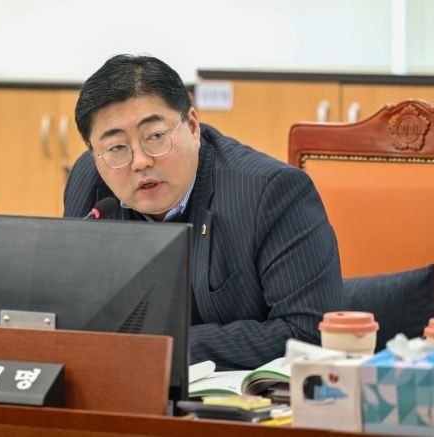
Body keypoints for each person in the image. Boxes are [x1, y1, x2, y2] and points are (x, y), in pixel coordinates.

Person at [63, 54, 344, 370]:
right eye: (116, 147)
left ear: (193, 127)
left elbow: (307, 333)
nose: (140, 161)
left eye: (156, 136)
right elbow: (73, 313)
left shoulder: (270, 192)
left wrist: (163, 350)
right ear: (94, 154)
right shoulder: (90, 182)